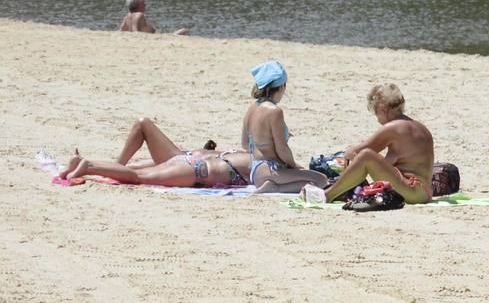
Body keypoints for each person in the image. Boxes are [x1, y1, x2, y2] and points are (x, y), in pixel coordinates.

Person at [315, 83, 436, 205]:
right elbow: (394, 163)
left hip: (412, 192)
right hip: (424, 192)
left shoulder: (393, 128)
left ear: (383, 109)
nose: (377, 118)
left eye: (375, 112)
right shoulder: (420, 127)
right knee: (368, 158)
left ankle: (327, 195)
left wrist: (345, 155)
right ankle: (336, 193)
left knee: (366, 155)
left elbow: (355, 153)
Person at [56, 116, 250, 187]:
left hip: (187, 157)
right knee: (137, 175)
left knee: (143, 125)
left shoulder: (244, 151)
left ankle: (90, 164)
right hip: (193, 167)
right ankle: (88, 166)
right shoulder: (262, 163)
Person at [241, 61, 327, 193]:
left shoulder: (252, 108)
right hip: (271, 170)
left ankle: (272, 185)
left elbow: (245, 144)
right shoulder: (274, 111)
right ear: (281, 87)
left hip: (256, 171)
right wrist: (294, 166)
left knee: (308, 181)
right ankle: (274, 187)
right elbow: (282, 149)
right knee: (321, 180)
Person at [118, 0, 189, 35]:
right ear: (138, 5)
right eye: (143, 4)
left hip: (156, 37)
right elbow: (136, 32)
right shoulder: (139, 15)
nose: (145, 5)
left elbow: (121, 30)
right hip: (160, 39)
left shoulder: (127, 16)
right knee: (184, 30)